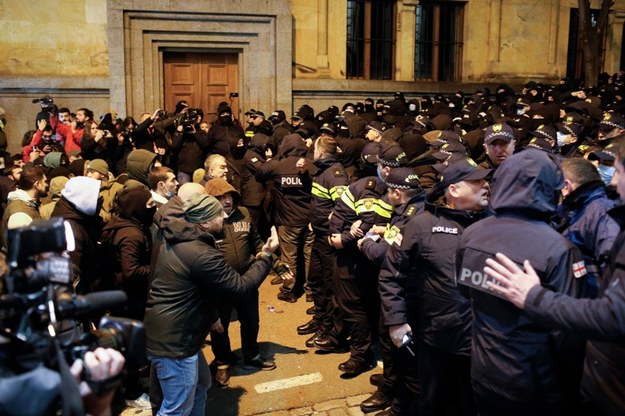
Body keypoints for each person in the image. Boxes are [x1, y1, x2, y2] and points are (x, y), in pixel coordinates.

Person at [481, 139, 625, 416]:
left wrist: (538, 296)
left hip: (590, 336)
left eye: (617, 170)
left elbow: (613, 302)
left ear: (567, 187)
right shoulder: (574, 209)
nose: (614, 181)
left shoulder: (600, 212)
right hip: (583, 332)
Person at [457, 147, 589, 416]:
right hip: (537, 382)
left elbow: (463, 291)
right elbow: (569, 333)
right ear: (552, 188)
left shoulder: (471, 234)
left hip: (484, 371)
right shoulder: (559, 249)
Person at [144, 193, 279, 416]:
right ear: (205, 222)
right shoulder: (200, 253)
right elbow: (241, 288)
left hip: (178, 334)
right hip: (176, 343)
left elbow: (196, 289)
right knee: (175, 409)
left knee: (201, 386)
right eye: (219, 214)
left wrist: (212, 316)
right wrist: (265, 255)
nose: (225, 216)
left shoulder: (181, 236)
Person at [380, 158, 489, 416]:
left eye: (485, 180)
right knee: (434, 404)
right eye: (476, 181)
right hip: (438, 338)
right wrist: (396, 320)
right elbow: (391, 275)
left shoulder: (494, 222)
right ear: (453, 190)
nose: (485, 185)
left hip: (484, 341)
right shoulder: (422, 225)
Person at [357, 166, 425, 415]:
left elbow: (383, 254)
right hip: (401, 291)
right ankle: (391, 384)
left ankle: (399, 402)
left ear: (397, 192)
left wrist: (365, 243)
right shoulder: (415, 207)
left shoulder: (410, 215)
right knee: (392, 346)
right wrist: (383, 232)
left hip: (405, 294)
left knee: (402, 352)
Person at [205, 178, 276, 388]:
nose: (226, 201)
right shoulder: (208, 222)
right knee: (220, 328)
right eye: (220, 197)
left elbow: (256, 242)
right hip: (221, 285)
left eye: (228, 196)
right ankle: (223, 363)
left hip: (247, 280)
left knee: (251, 321)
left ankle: (252, 355)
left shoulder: (243, 213)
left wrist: (275, 263)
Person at [1, 165, 47, 248]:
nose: (47, 185)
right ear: (37, 184)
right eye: (44, 181)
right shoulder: (20, 215)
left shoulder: (29, 204)